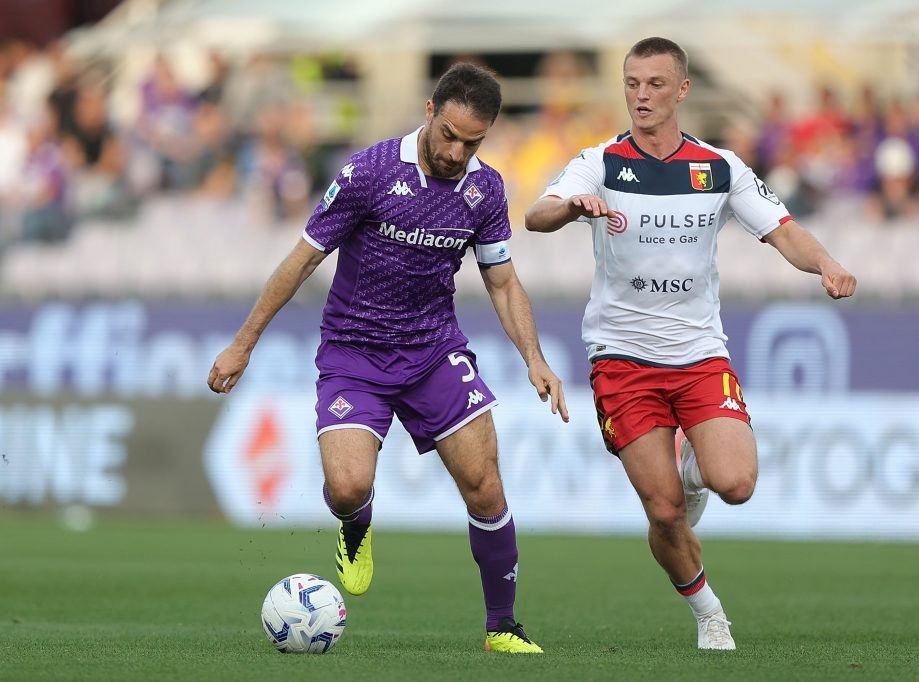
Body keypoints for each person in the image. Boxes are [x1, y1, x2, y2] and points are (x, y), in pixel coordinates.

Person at [209, 63, 568, 654]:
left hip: (434, 351)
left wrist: (533, 358)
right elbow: (301, 261)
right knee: (347, 488)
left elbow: (503, 284)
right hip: (355, 353)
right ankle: (356, 527)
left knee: (485, 487)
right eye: (450, 134)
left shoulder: (486, 190)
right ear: (430, 111)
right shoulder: (368, 172)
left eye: (472, 142)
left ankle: (502, 627)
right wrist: (243, 343)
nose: (457, 152)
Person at [525, 37, 856, 650]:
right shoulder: (600, 162)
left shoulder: (719, 167)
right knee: (664, 513)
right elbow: (535, 215)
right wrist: (572, 207)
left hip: (700, 352)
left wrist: (826, 264)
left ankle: (694, 468)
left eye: (654, 84)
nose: (641, 95)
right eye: (631, 83)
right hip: (621, 358)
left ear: (681, 90)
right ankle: (709, 612)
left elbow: (783, 231)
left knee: (736, 484)